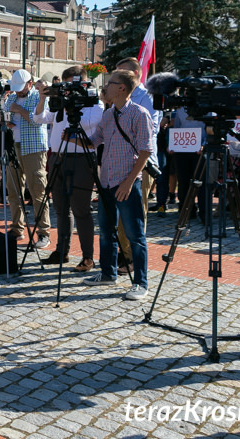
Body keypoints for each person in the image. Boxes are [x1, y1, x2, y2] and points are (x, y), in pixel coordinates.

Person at [84, 70, 154, 300]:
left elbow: (145, 151)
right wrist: (75, 137)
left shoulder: (138, 113)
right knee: (105, 231)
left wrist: (129, 181)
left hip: (126, 183)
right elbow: (96, 140)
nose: (106, 87)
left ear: (121, 88)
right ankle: (108, 273)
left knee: (135, 235)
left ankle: (140, 283)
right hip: (106, 182)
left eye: (110, 83)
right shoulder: (108, 114)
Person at [33, 65, 104, 271]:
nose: (66, 91)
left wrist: (74, 106)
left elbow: (92, 125)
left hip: (81, 159)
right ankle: (61, 251)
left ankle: (88, 256)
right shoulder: (60, 104)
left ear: (82, 83)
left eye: (69, 86)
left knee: (81, 209)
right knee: (60, 208)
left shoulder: (92, 104)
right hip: (57, 157)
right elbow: (38, 118)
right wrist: (42, 98)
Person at [114, 58, 162, 272]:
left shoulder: (148, 97)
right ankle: (124, 254)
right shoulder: (121, 96)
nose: (117, 79)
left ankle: (134, 259)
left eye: (122, 74)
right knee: (122, 212)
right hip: (120, 161)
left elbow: (149, 130)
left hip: (141, 162)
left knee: (135, 212)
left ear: (135, 73)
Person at [6, 69, 51, 248]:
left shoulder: (38, 97)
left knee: (37, 191)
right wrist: (6, 120)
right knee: (13, 190)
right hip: (13, 147)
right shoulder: (11, 97)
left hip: (33, 148)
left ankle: (43, 232)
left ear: (30, 84)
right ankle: (17, 228)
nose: (17, 91)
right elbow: (6, 114)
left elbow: (36, 120)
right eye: (15, 88)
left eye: (20, 87)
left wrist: (19, 110)